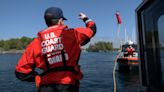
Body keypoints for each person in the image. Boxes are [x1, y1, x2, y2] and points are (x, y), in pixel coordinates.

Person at [15, 7, 96, 92]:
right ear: (60, 21)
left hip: (45, 87)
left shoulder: (35, 43)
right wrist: (85, 19)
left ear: (46, 22)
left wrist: (37, 77)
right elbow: (92, 29)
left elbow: (20, 72)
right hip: (69, 86)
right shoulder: (74, 34)